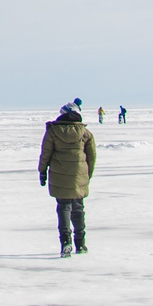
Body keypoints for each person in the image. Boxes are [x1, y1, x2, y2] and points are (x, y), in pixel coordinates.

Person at [38, 102, 96, 256]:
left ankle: (65, 242)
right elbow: (92, 157)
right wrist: (87, 174)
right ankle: (81, 244)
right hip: (79, 175)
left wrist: (42, 171)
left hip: (59, 175)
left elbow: (45, 153)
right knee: (78, 207)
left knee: (63, 207)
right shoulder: (85, 133)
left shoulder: (53, 131)